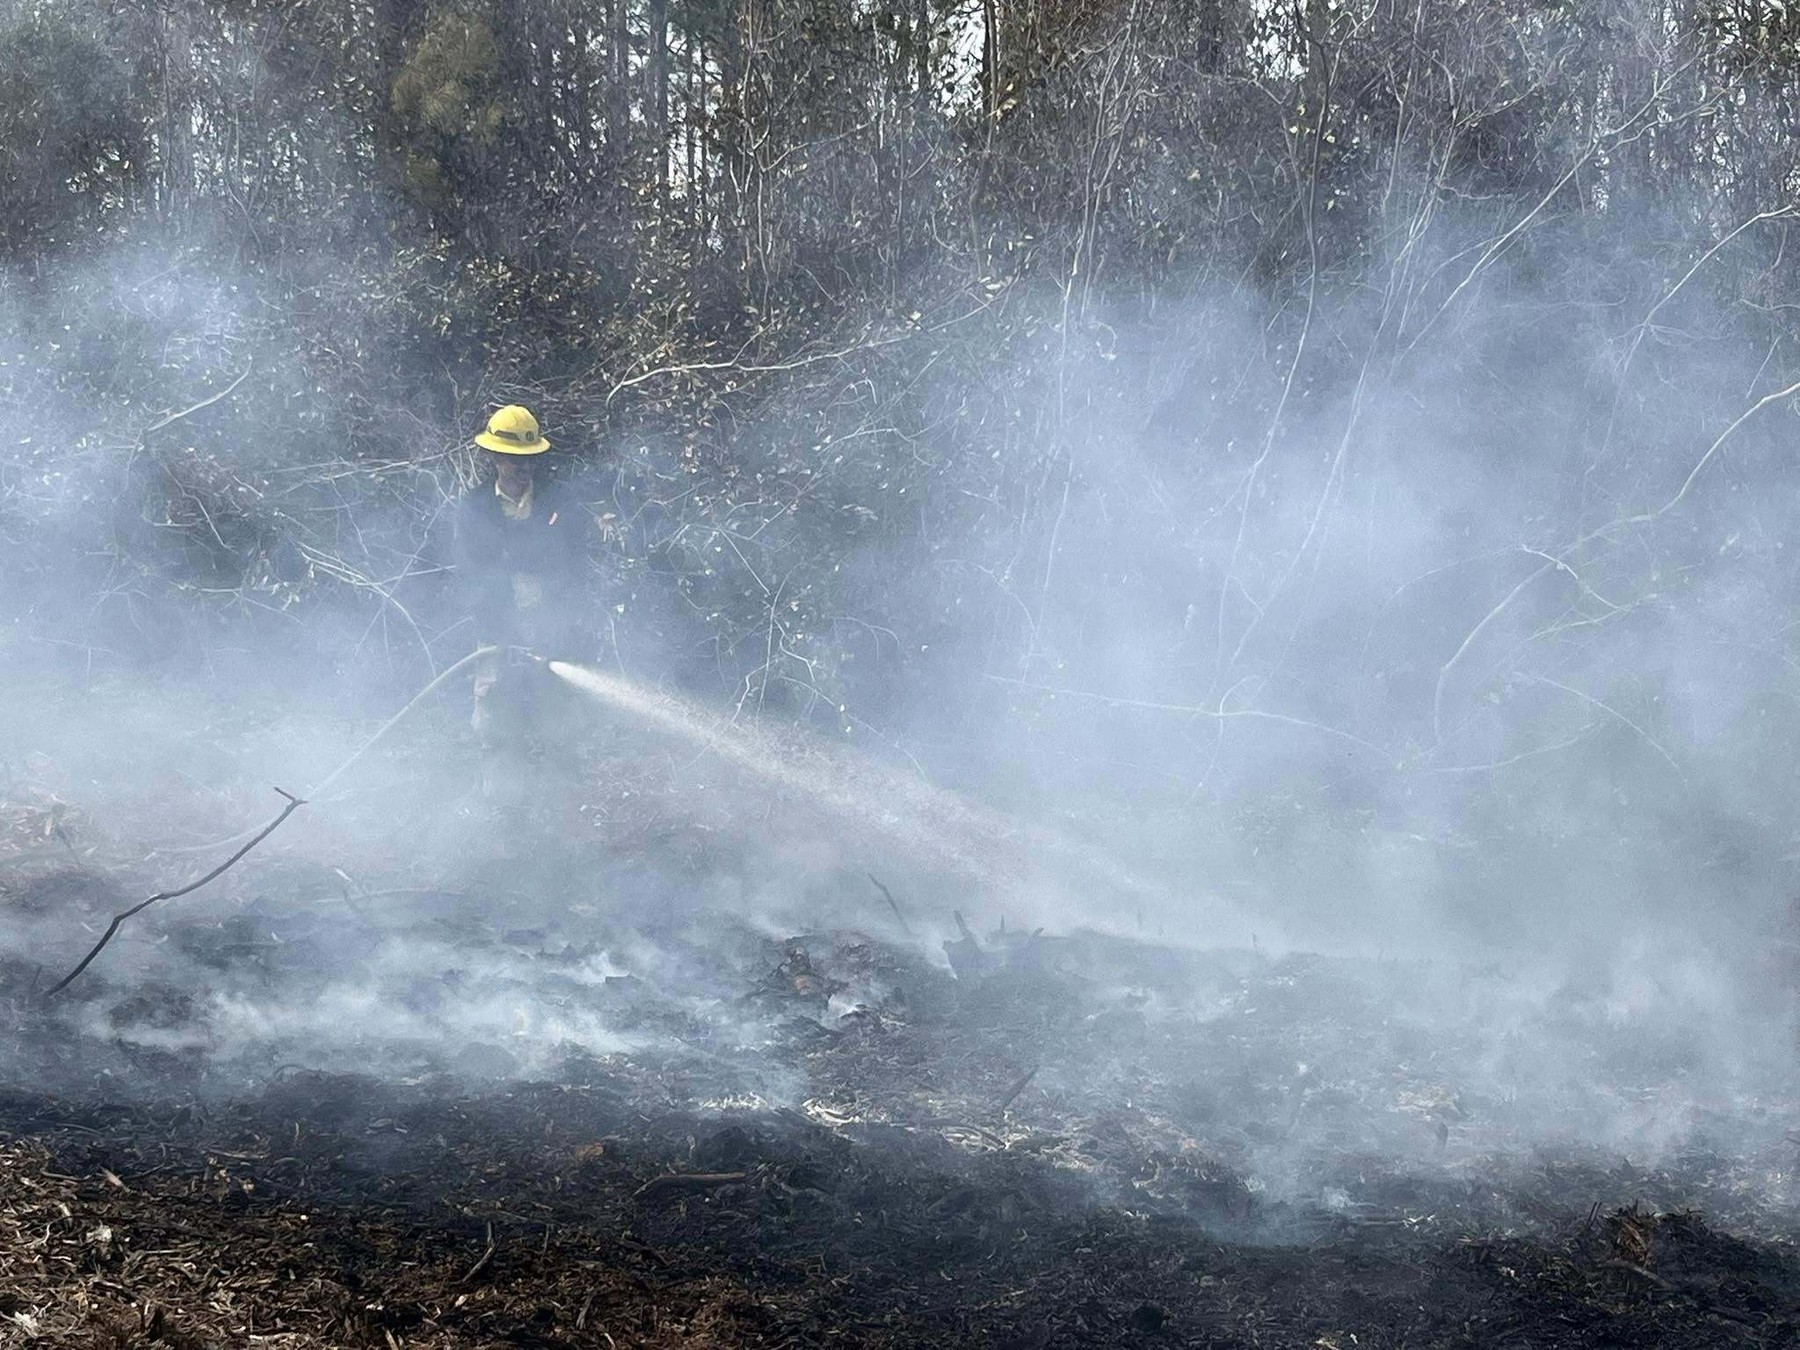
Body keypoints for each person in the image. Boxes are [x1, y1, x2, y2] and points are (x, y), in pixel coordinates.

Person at [454, 404, 589, 796]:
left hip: (551, 629)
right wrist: (502, 634)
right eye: (513, 459)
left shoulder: (558, 503)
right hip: (496, 633)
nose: (522, 467)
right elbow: (472, 575)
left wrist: (558, 629)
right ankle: (504, 814)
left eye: (528, 459)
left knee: (561, 724)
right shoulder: (474, 509)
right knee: (497, 727)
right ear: (495, 456)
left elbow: (572, 565)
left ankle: (563, 810)